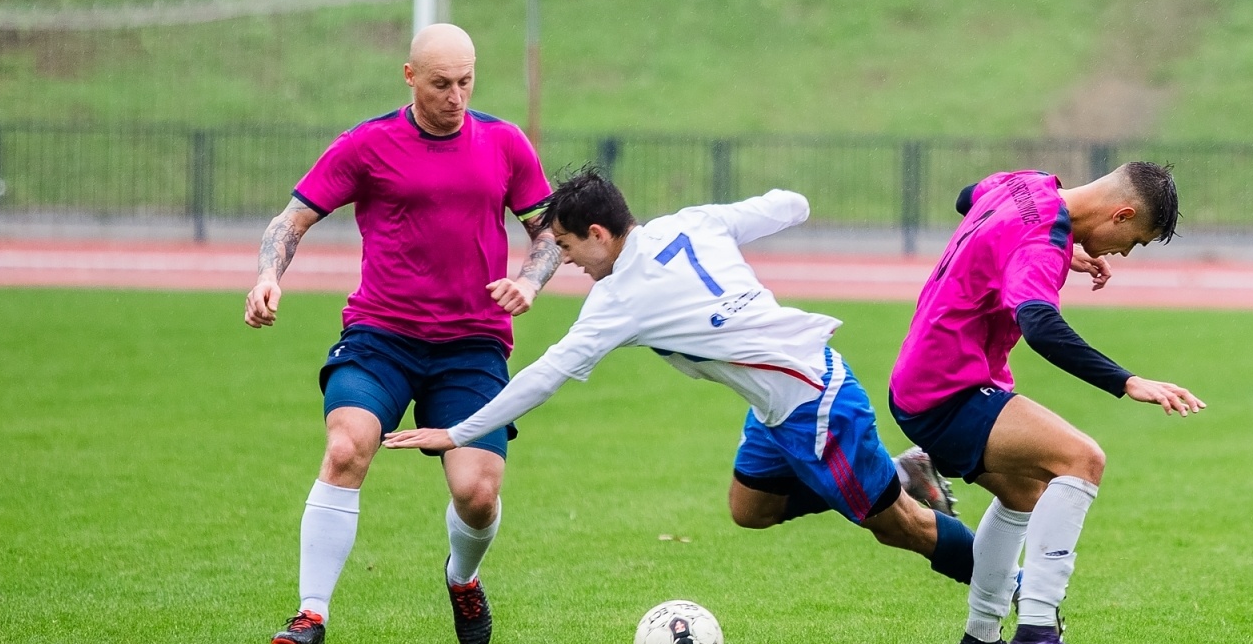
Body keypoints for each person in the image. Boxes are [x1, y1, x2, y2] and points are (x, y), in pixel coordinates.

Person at [383, 168, 974, 587]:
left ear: (598, 234)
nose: (564, 260)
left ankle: (1015, 594)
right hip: (777, 403)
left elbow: (544, 376)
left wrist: (458, 434)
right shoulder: (691, 222)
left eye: (565, 246)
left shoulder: (618, 299)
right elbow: (791, 203)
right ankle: (894, 472)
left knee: (902, 527)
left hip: (814, 404)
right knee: (751, 508)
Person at [245, 23, 560, 644]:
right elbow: (293, 218)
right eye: (442, 83)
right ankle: (311, 615)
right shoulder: (367, 144)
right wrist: (266, 276)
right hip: (380, 338)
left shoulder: (504, 143)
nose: (456, 96)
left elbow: (549, 232)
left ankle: (462, 577)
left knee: (477, 494)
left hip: (472, 347)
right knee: (345, 447)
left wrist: (530, 281)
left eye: (466, 81)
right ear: (410, 77)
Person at [889, 163, 1204, 644]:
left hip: (923, 378)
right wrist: (1127, 381)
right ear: (1121, 213)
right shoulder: (1039, 241)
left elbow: (968, 196)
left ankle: (981, 639)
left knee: (1023, 495)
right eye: (1133, 241)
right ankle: (1037, 638)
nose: (1122, 253)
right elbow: (1040, 326)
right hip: (949, 388)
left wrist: (1066, 250)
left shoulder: (1028, 183)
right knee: (1082, 459)